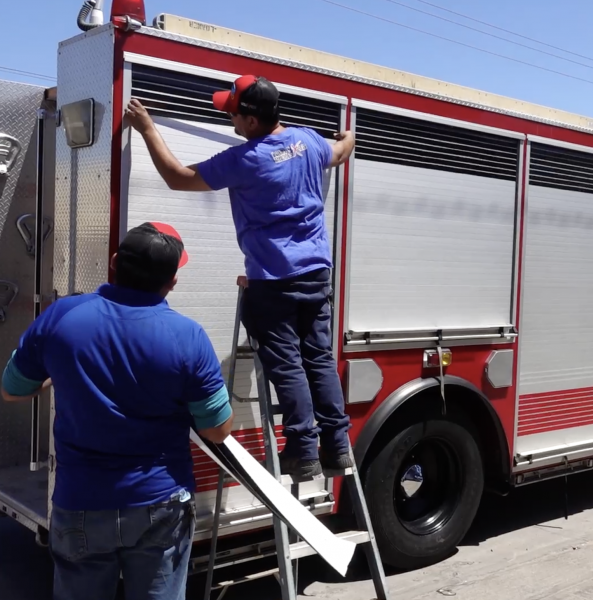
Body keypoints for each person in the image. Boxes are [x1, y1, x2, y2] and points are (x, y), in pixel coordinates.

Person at [125, 74, 356, 481]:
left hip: (273, 281)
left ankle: (304, 451)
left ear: (251, 121)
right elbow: (341, 151)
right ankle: (338, 447)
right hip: (316, 275)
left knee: (287, 365)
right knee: (318, 359)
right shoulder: (308, 141)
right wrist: (348, 135)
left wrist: (147, 128)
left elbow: (177, 177)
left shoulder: (246, 159)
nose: (230, 120)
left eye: (233, 113)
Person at [1, 222, 234, 600]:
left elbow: (12, 390)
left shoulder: (61, 317)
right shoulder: (187, 336)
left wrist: (60, 372)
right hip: (159, 502)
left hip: (80, 503)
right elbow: (217, 431)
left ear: (113, 263)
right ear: (171, 282)